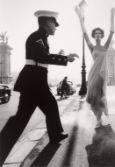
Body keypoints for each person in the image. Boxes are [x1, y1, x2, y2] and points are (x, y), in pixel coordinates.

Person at [0, 10, 79, 165]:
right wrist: (65, 58)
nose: (56, 27)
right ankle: (2, 148)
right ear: (47, 23)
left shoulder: (42, 38)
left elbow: (41, 56)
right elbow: (41, 57)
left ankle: (55, 134)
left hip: (36, 81)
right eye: (54, 24)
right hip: (33, 82)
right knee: (22, 118)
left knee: (48, 106)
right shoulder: (37, 37)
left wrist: (60, 55)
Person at [75, 6, 115, 128]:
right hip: (93, 74)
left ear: (101, 36)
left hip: (102, 74)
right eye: (96, 33)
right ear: (94, 36)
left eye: (99, 33)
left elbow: (112, 32)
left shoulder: (106, 46)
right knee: (92, 97)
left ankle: (99, 119)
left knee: (101, 96)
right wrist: (79, 16)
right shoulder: (91, 47)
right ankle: (98, 118)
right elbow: (84, 32)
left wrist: (112, 15)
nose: (98, 35)